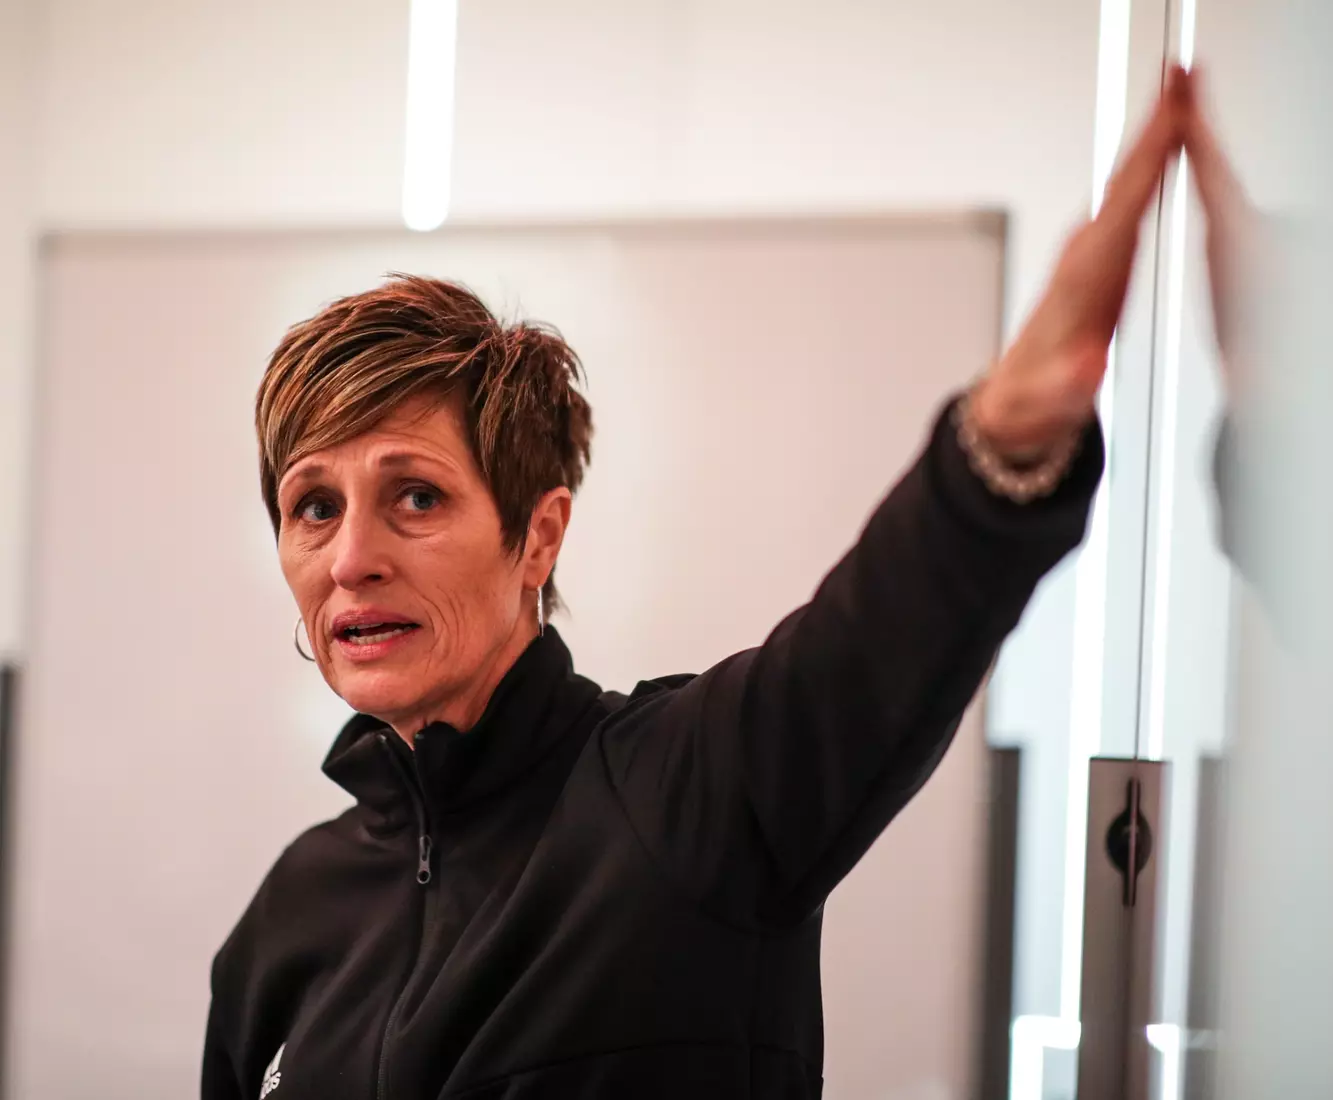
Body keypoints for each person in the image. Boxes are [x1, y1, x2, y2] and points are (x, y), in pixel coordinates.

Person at [202, 68, 1198, 1100]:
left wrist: (998, 446)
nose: (351, 555)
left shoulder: (687, 795)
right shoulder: (290, 914)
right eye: (313, 505)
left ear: (536, 535)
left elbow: (876, 638)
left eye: (414, 496)